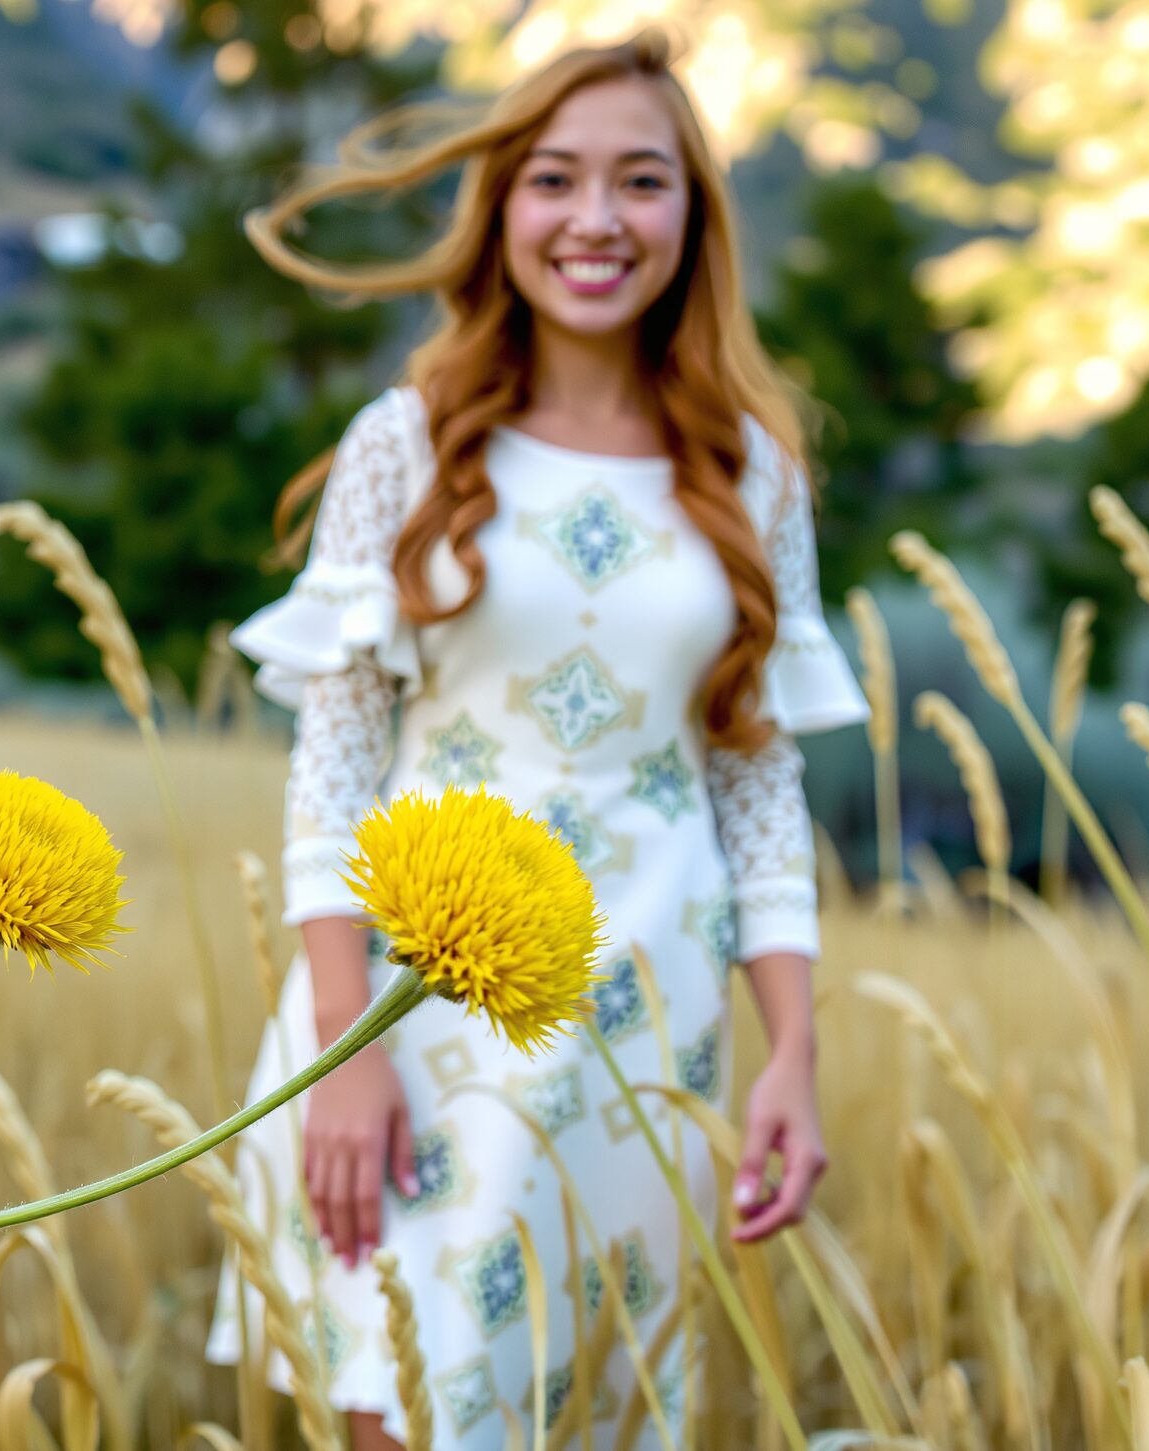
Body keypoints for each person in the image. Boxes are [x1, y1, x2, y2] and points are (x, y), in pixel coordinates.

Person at [204, 28, 868, 1449]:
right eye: (555, 180)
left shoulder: (753, 471)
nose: (595, 221)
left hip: (647, 1024)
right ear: (502, 208)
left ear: (692, 218)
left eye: (641, 182)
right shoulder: (411, 439)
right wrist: (342, 1045)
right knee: (407, 1396)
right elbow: (334, 759)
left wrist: (793, 1051)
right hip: (416, 1012)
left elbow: (755, 778)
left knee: (593, 1408)